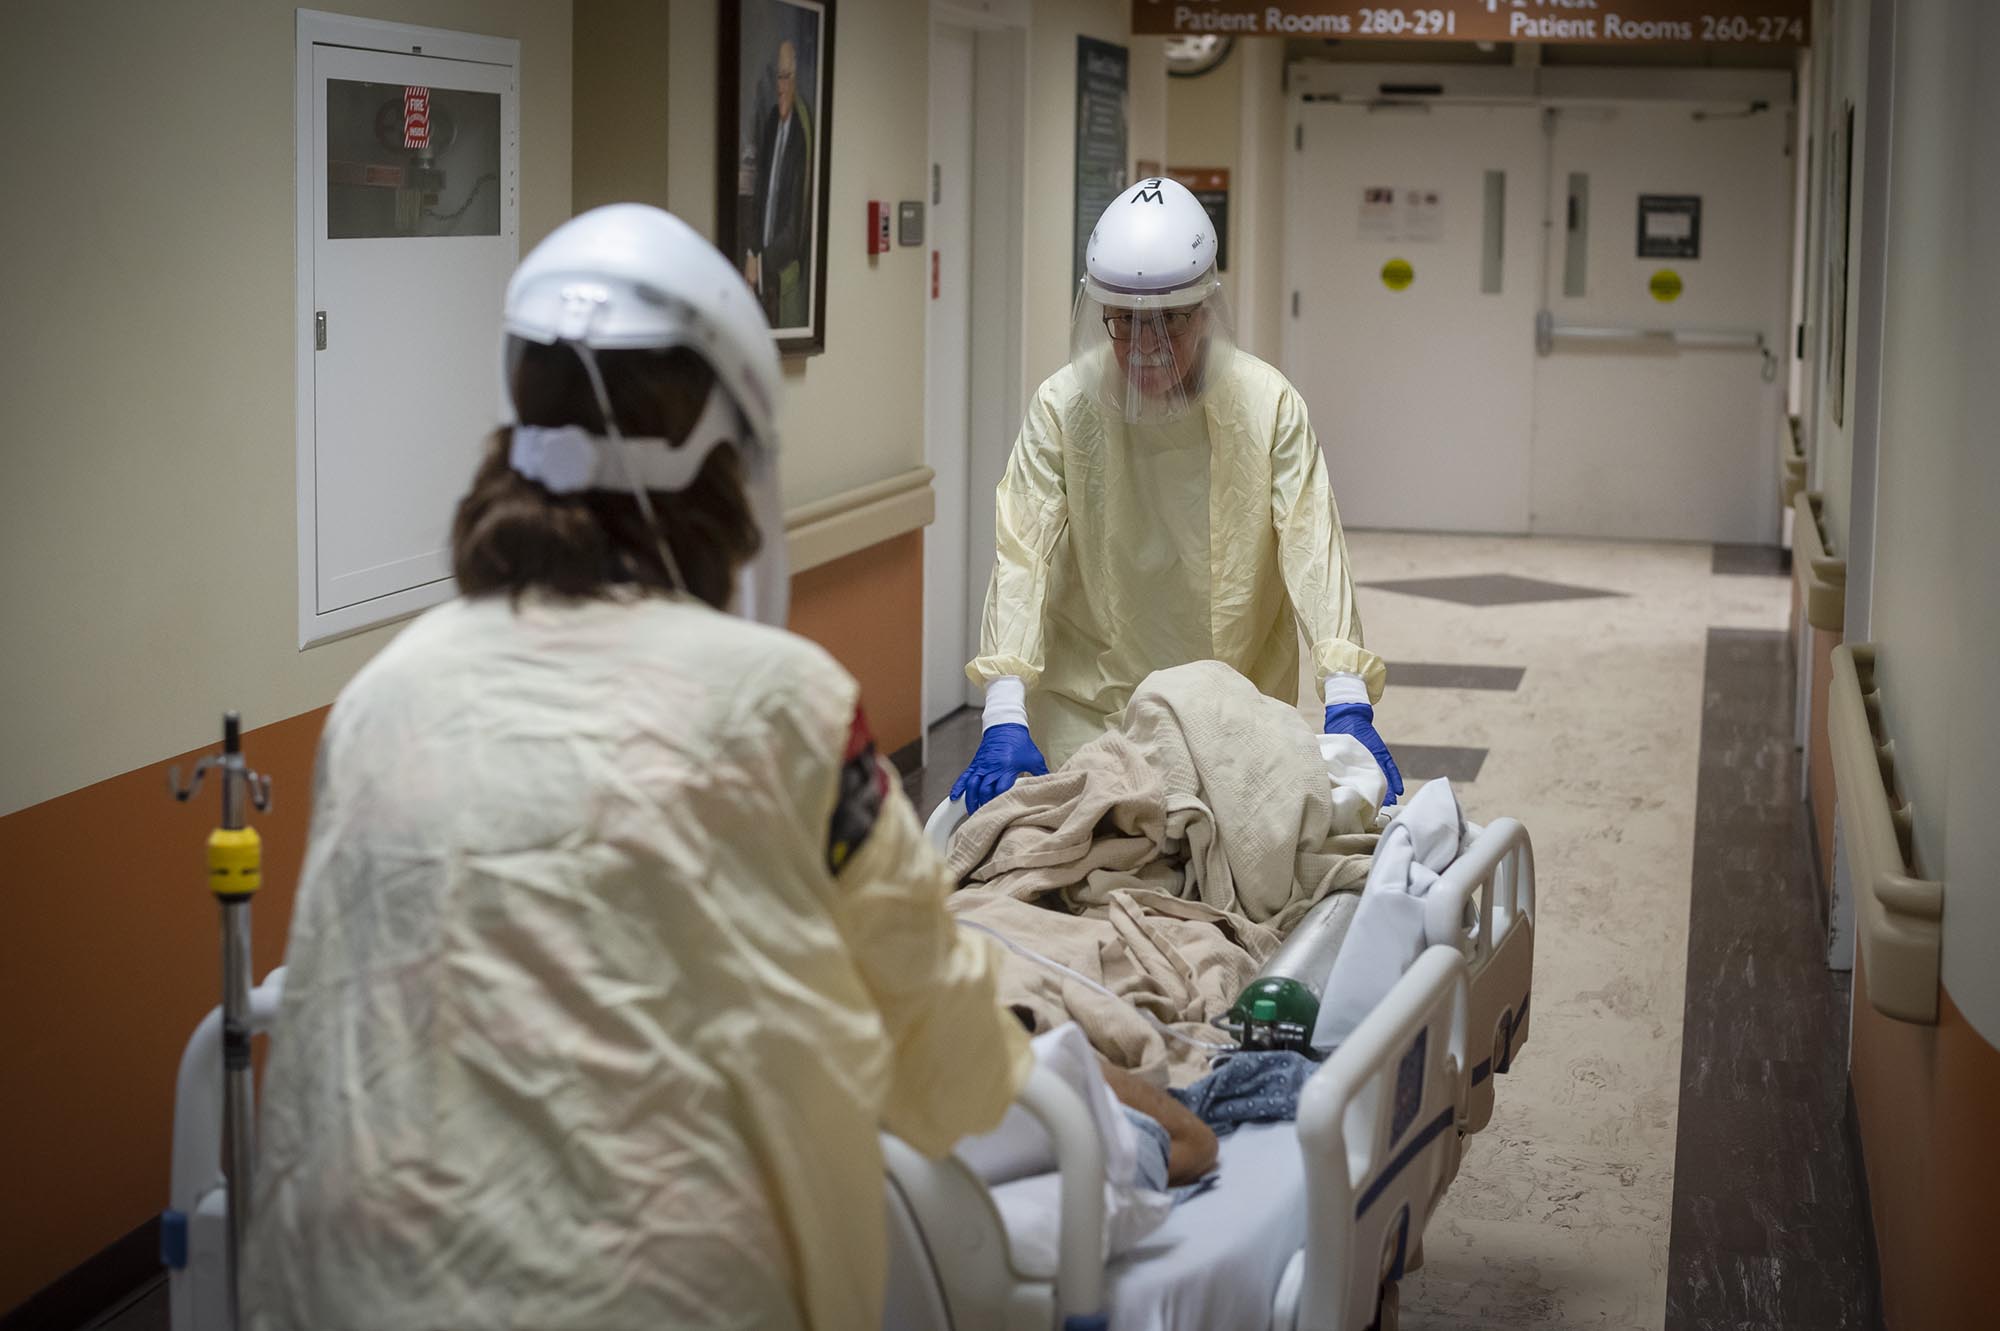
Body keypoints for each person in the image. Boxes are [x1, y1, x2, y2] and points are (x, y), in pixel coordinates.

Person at [242, 204, 1030, 1331]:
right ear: (731, 470)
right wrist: (1112, 1113)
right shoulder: (783, 705)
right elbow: (936, 1042)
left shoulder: (380, 700)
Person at [953, 176, 1404, 814]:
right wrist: (1003, 709)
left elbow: (1313, 547)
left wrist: (1347, 696)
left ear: (1204, 311)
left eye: (1168, 322)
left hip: (1234, 704)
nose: (1145, 348)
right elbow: (1022, 553)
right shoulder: (1063, 407)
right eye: (1124, 323)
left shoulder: (1265, 405)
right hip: (1093, 706)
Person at [743, 39, 810, 328]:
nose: (780, 86)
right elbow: (760, 196)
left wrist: (761, 260)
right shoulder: (772, 121)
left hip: (780, 275)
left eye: (786, 77)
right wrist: (751, 251)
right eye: (778, 77)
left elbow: (794, 229)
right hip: (760, 268)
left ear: (796, 79)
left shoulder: (801, 136)